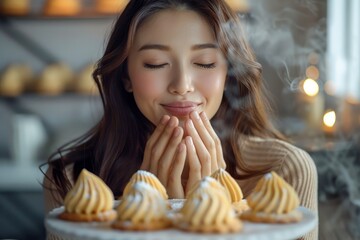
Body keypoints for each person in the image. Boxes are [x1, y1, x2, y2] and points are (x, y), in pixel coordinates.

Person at [42, 0, 318, 239]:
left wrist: (212, 213)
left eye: (205, 62)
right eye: (155, 63)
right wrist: (152, 215)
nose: (182, 85)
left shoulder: (284, 171)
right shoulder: (72, 182)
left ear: (229, 74)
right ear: (126, 76)